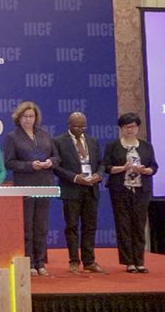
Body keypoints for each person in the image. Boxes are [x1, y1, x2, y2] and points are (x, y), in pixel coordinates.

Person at [3, 101, 60, 277]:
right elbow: (9, 163)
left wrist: (50, 162)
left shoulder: (44, 134)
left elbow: (57, 157)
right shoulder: (12, 137)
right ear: (18, 118)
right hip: (25, 184)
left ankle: (40, 262)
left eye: (31, 116)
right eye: (25, 116)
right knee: (27, 226)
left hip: (44, 184)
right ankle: (29, 263)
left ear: (36, 118)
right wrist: (30, 165)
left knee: (41, 226)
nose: (28, 119)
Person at [103, 112, 158, 274]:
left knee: (139, 225)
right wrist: (123, 168)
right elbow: (106, 167)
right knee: (124, 225)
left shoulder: (146, 146)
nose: (130, 130)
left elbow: (154, 166)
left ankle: (140, 261)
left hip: (141, 190)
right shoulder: (113, 146)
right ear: (121, 128)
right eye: (127, 127)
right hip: (120, 190)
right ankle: (129, 262)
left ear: (137, 128)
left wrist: (146, 170)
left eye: (133, 127)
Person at [52, 112, 106, 274]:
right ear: (69, 125)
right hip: (71, 189)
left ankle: (89, 261)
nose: (80, 130)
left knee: (90, 226)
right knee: (72, 226)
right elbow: (56, 167)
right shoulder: (58, 142)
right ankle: (74, 261)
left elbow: (101, 163)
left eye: (83, 126)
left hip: (91, 189)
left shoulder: (92, 141)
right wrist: (75, 178)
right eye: (76, 126)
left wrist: (98, 175)